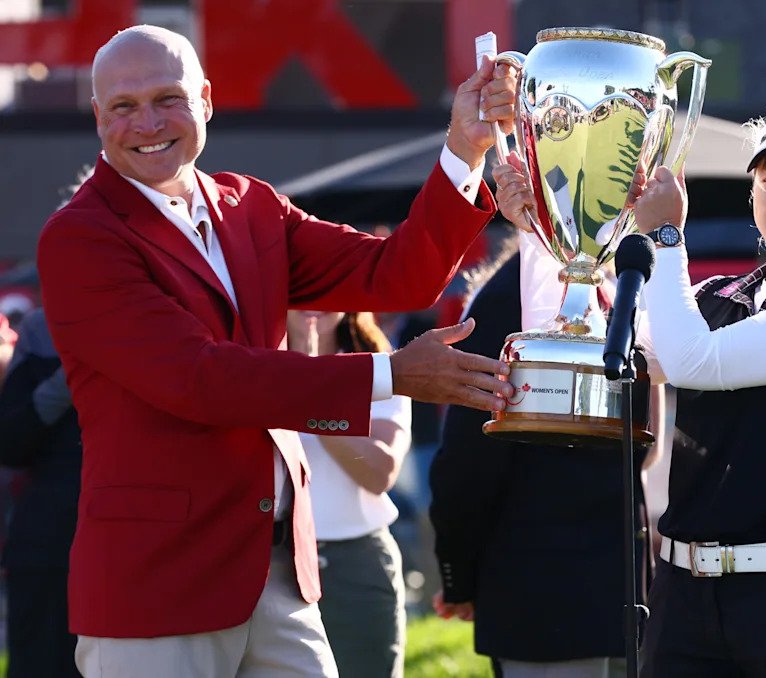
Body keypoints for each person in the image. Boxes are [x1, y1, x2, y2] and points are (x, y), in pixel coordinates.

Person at [36, 24, 517, 678]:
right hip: (159, 585)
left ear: (205, 99)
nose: (147, 122)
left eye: (168, 98)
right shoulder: (79, 238)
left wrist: (466, 146)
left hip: (278, 573)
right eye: (123, 106)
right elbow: (198, 379)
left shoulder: (251, 206)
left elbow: (395, 274)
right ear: (98, 118)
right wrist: (391, 375)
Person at [497, 95, 766, 677]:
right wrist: (544, 230)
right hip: (683, 598)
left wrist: (664, 237)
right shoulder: (715, 299)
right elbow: (593, 351)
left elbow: (692, 363)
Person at [429, 240, 666, 678]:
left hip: (576, 599)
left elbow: (464, 468)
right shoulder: (578, 290)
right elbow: (469, 463)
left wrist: (458, 578)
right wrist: (458, 574)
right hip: (570, 602)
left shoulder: (614, 286)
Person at [287, 309, 411, 677]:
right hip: (270, 565)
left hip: (355, 566)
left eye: (327, 287)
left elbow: (378, 473)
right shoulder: (246, 364)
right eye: (302, 287)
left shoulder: (380, 365)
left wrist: (313, 394)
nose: (316, 302)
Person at [0, 308, 82, 678]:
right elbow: (11, 441)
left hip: (134, 539)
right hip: (48, 539)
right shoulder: (41, 328)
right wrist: (68, 381)